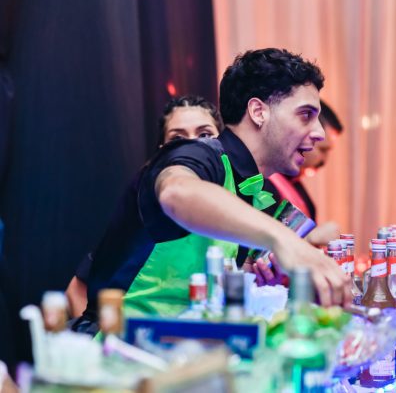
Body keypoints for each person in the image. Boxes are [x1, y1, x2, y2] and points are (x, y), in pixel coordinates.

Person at [73, 49, 350, 334]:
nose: (319, 133)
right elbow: (177, 193)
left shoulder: (254, 190)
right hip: (119, 347)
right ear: (258, 112)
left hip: (188, 349)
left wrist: (257, 275)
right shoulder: (200, 155)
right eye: (306, 115)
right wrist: (284, 241)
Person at [65, 95, 223, 318]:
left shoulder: (240, 200)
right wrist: (106, 334)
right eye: (177, 138)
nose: (193, 146)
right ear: (163, 149)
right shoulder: (146, 206)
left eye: (204, 135)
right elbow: (78, 289)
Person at [268, 100, 343, 246]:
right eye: (323, 150)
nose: (324, 160)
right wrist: (312, 237)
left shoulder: (295, 183)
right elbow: (261, 250)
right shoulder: (263, 181)